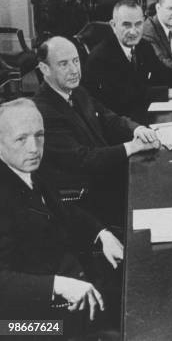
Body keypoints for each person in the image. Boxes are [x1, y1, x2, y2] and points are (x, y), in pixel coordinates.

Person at [0, 99, 123, 332]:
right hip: (25, 325)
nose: (34, 147)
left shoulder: (28, 167)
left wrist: (101, 234)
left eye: (39, 135)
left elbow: (63, 210)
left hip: (74, 283)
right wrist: (57, 286)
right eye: (21, 139)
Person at [33, 36, 160, 224]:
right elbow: (82, 159)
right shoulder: (43, 110)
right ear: (45, 69)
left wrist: (137, 129)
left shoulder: (76, 91)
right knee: (158, 193)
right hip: (86, 197)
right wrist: (132, 147)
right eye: (63, 64)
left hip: (107, 175)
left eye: (76, 61)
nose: (74, 70)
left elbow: (108, 117)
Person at [82, 0, 172, 119]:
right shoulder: (101, 57)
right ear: (113, 25)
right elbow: (129, 95)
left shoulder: (143, 45)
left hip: (141, 114)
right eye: (126, 25)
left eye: (138, 24)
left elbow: (162, 72)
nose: (133, 31)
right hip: (119, 122)